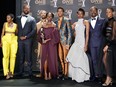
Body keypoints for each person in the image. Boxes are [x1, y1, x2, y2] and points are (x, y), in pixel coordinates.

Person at [66, 8, 90, 83]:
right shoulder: (75, 23)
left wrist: (86, 45)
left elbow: (87, 34)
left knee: (81, 58)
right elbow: (68, 31)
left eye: (81, 13)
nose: (79, 15)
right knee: (75, 58)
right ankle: (75, 76)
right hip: (76, 42)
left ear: (83, 14)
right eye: (78, 13)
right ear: (77, 14)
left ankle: (82, 76)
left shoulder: (85, 22)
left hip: (82, 43)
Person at [38, 12, 60, 80]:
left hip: (52, 44)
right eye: (48, 16)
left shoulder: (54, 25)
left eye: (50, 16)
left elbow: (57, 37)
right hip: (45, 44)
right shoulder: (43, 25)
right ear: (46, 17)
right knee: (45, 59)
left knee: (51, 59)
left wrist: (51, 40)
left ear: (52, 17)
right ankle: (45, 73)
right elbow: (40, 34)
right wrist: (43, 39)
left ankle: (50, 74)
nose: (49, 18)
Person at [16, 4, 36, 77]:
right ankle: (21, 71)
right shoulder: (18, 18)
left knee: (29, 56)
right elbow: (16, 29)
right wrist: (19, 36)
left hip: (28, 40)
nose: (26, 10)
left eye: (28, 9)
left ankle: (30, 72)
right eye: (25, 8)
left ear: (29, 10)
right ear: (23, 9)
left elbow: (34, 30)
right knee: (21, 56)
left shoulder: (32, 19)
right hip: (20, 40)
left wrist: (26, 36)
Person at [89, 6, 106, 81]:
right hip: (91, 44)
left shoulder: (103, 20)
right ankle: (95, 75)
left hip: (100, 43)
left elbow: (105, 34)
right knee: (93, 60)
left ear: (97, 12)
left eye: (94, 11)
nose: (93, 12)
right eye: (91, 11)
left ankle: (101, 76)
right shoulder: (88, 21)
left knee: (100, 60)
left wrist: (105, 44)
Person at [55, 7, 72, 80]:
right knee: (60, 58)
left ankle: (66, 74)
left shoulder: (67, 20)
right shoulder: (56, 21)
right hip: (58, 42)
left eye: (61, 11)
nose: (59, 13)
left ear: (63, 12)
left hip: (65, 42)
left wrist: (68, 43)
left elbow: (70, 33)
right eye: (58, 11)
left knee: (65, 58)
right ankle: (62, 72)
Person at [1, 13, 18, 79]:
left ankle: (11, 72)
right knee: (5, 56)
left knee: (13, 56)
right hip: (5, 40)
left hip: (13, 40)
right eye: (7, 18)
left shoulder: (15, 25)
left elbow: (16, 33)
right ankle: (6, 72)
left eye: (8, 18)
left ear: (12, 19)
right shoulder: (5, 24)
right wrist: (1, 41)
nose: (7, 19)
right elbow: (2, 33)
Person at [102, 7, 116, 86]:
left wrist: (107, 45)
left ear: (113, 13)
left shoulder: (114, 22)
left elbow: (113, 36)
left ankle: (109, 78)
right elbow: (104, 34)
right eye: (107, 12)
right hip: (107, 43)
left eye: (109, 12)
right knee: (105, 60)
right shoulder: (107, 22)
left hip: (112, 44)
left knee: (107, 61)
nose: (108, 14)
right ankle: (110, 78)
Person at [36, 10, 47, 77]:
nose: (43, 14)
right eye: (42, 13)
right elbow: (37, 33)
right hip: (40, 42)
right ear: (40, 14)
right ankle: (41, 72)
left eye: (44, 13)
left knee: (47, 57)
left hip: (47, 42)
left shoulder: (49, 22)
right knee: (41, 57)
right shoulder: (37, 24)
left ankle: (47, 72)